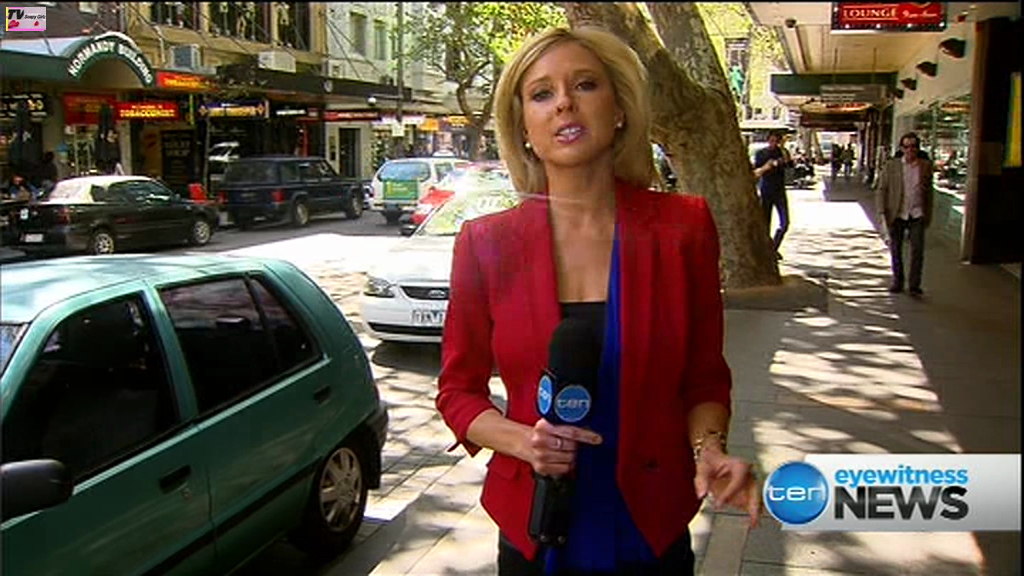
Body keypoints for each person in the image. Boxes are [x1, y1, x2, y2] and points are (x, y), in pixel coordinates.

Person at [436, 26, 760, 576]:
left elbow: (704, 377)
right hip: (533, 527)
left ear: (620, 110)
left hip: (649, 526)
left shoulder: (683, 227)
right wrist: (523, 441)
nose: (564, 102)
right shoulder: (486, 242)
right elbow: (458, 393)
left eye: (585, 84)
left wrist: (709, 449)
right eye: (542, 94)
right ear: (524, 127)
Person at [876, 131, 934, 298]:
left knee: (918, 250)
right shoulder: (891, 166)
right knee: (896, 249)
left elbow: (929, 192)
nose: (910, 150)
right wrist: (881, 211)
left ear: (918, 148)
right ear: (901, 148)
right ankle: (898, 281)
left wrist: (928, 214)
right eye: (907, 147)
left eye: (913, 147)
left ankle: (914, 285)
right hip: (897, 213)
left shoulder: (925, 166)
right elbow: (882, 189)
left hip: (917, 214)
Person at [752, 130, 792, 259]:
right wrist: (766, 167)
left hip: (780, 191)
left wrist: (783, 154)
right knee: (765, 223)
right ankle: (765, 250)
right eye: (771, 140)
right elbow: (756, 172)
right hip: (766, 190)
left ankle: (774, 247)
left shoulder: (783, 152)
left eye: (776, 141)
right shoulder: (761, 153)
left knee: (785, 223)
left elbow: (789, 164)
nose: (773, 143)